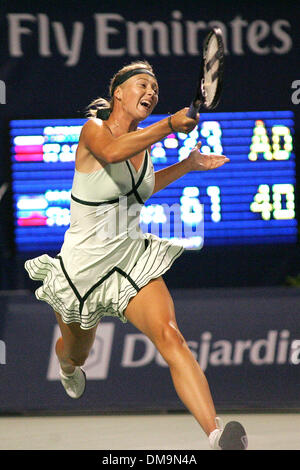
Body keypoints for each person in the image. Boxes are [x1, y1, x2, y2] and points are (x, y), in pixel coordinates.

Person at [25, 60, 248, 450]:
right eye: (143, 85)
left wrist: (188, 164)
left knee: (171, 337)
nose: (151, 93)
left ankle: (215, 436)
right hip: (82, 270)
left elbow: (139, 190)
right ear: (119, 94)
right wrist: (167, 126)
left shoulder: (144, 148)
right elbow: (111, 153)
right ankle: (66, 365)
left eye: (156, 89)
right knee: (77, 353)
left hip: (130, 261)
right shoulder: (95, 130)